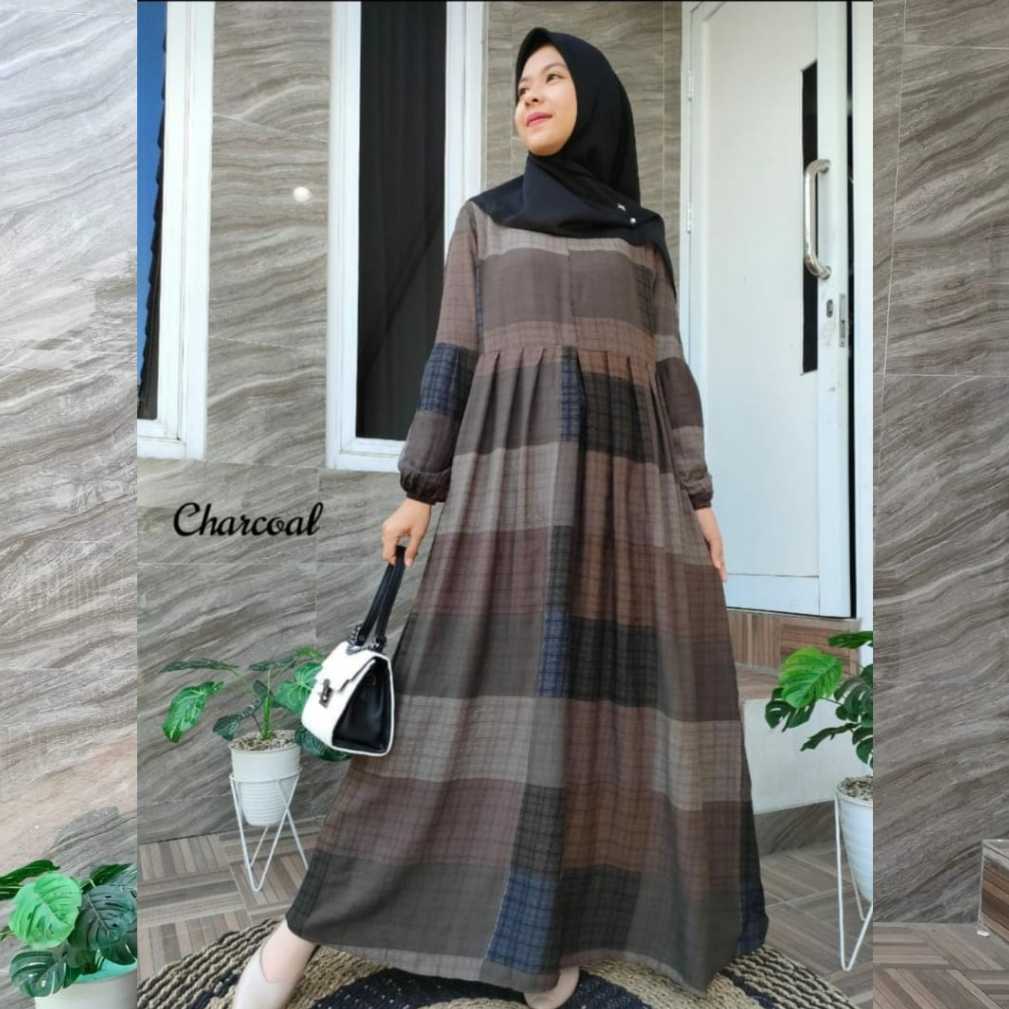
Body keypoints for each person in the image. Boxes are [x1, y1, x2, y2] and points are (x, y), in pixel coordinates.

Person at [232, 25, 768, 1009]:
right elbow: (453, 358)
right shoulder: (483, 221)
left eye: (552, 77)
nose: (530, 93)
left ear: (595, 98)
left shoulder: (639, 237)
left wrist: (697, 496)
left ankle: (545, 941)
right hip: (507, 496)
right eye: (521, 82)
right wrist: (420, 485)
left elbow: (668, 369)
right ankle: (296, 937)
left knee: (603, 715)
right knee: (447, 699)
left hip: (627, 500)